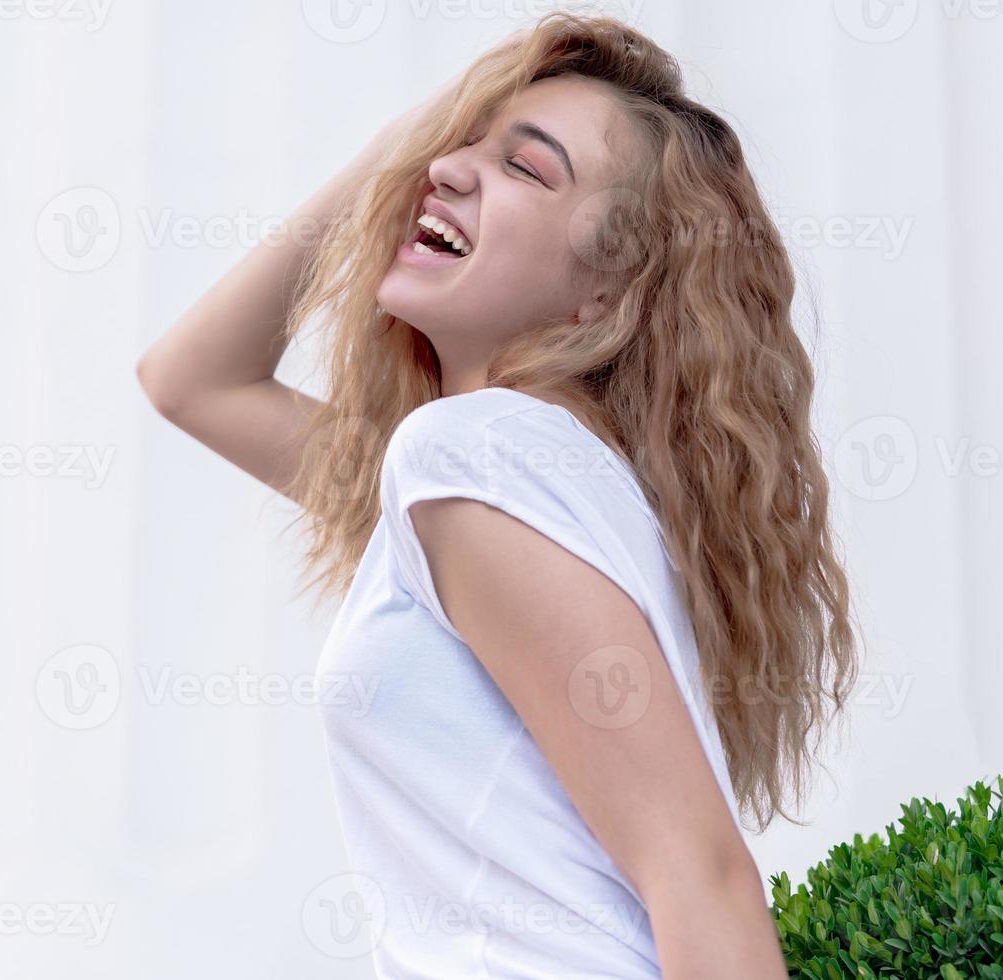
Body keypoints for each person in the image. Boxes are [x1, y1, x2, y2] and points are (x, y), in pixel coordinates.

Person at [136, 13, 860, 978]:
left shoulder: (473, 457)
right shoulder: (514, 478)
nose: (445, 170)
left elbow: (698, 870)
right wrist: (408, 152)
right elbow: (192, 380)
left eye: (526, 168)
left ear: (607, 291)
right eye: (456, 146)